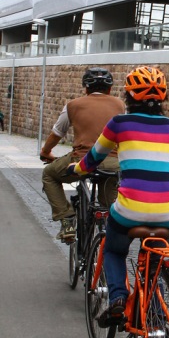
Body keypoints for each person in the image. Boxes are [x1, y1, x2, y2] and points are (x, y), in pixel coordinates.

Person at [74, 66, 169, 327]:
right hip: (168, 214)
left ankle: (118, 300)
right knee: (154, 258)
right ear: (163, 97)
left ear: (129, 96)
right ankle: (154, 310)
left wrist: (76, 169)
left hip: (129, 211)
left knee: (114, 250)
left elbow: (94, 158)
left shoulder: (119, 123)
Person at [40, 68, 124, 241]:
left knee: (49, 175)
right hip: (113, 162)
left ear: (85, 88)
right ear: (109, 88)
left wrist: (46, 152)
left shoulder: (73, 105)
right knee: (108, 205)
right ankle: (108, 235)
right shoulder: (120, 105)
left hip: (83, 161)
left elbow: (57, 133)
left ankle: (67, 220)